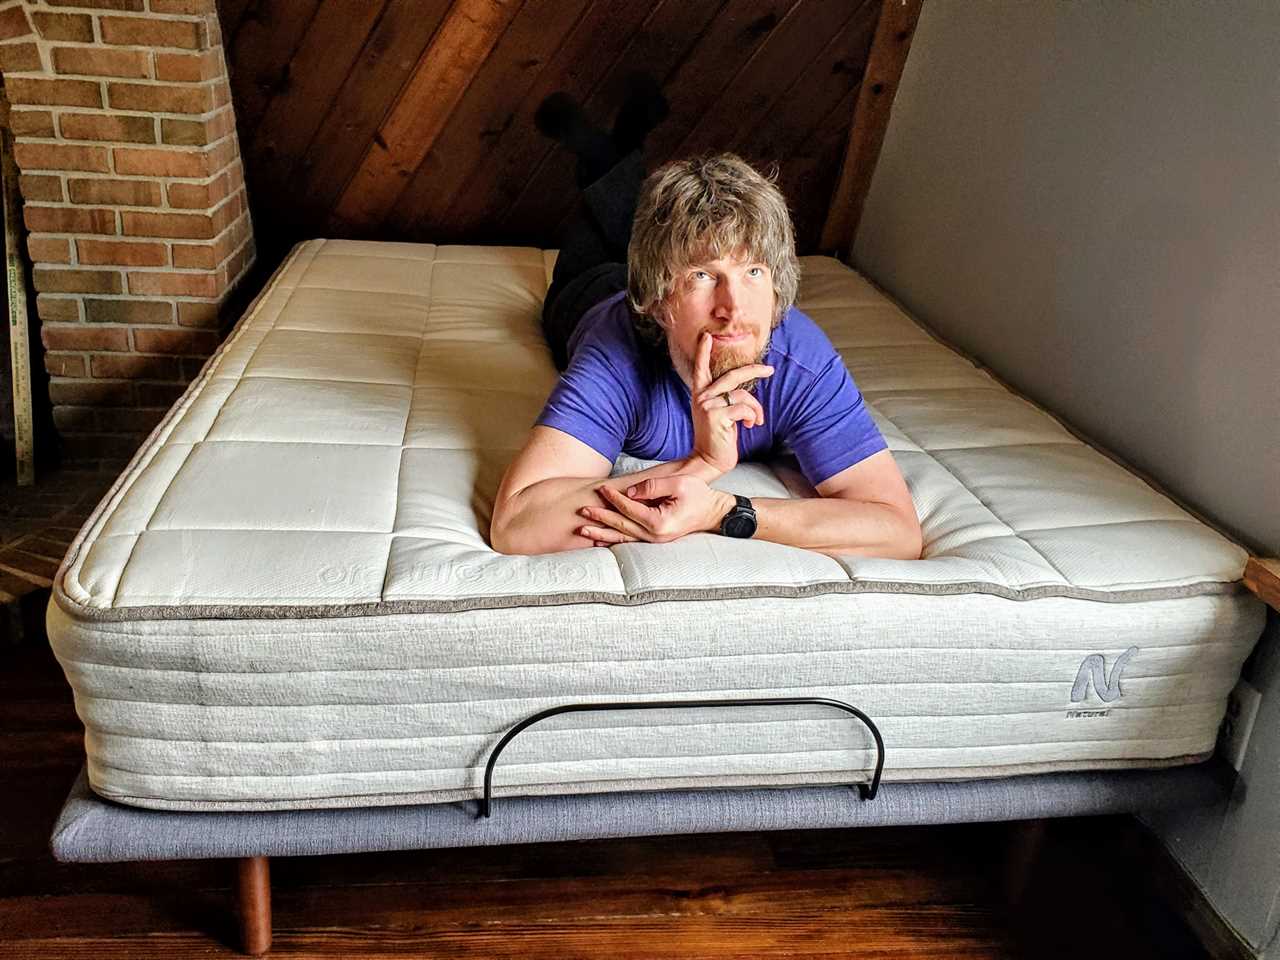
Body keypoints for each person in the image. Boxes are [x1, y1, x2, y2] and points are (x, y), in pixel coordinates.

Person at [489, 89, 921, 560]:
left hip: (652, 276)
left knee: (650, 225)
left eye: (753, 271)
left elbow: (896, 529)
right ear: (656, 301)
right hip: (591, 292)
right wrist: (700, 463)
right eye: (702, 276)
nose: (732, 307)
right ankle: (602, 157)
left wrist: (725, 510)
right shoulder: (616, 354)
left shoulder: (801, 359)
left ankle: (622, 150)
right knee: (603, 231)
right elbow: (516, 526)